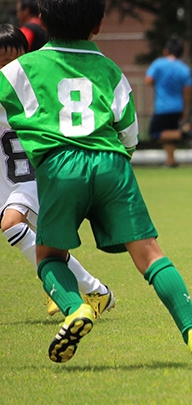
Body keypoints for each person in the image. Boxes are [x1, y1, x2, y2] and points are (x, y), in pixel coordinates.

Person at [0, 0, 192, 368]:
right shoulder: (110, 71)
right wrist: (116, 161)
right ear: (98, 25)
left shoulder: (20, 70)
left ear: (43, 23)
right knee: (151, 255)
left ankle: (76, 309)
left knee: (49, 255)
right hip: (111, 164)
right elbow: (130, 134)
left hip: (59, 167)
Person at [0, 23, 115, 318]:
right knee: (47, 244)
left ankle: (71, 295)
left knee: (13, 225)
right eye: (1, 61)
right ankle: (96, 291)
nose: (7, 68)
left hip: (36, 176)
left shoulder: (33, 92)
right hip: (8, 181)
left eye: (13, 61)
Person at [145, 38, 192, 168]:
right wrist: (185, 110)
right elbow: (187, 91)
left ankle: (184, 134)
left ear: (166, 51)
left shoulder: (158, 64)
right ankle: (171, 161)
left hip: (162, 107)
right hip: (177, 106)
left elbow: (148, 80)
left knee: (154, 134)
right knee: (169, 136)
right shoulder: (184, 69)